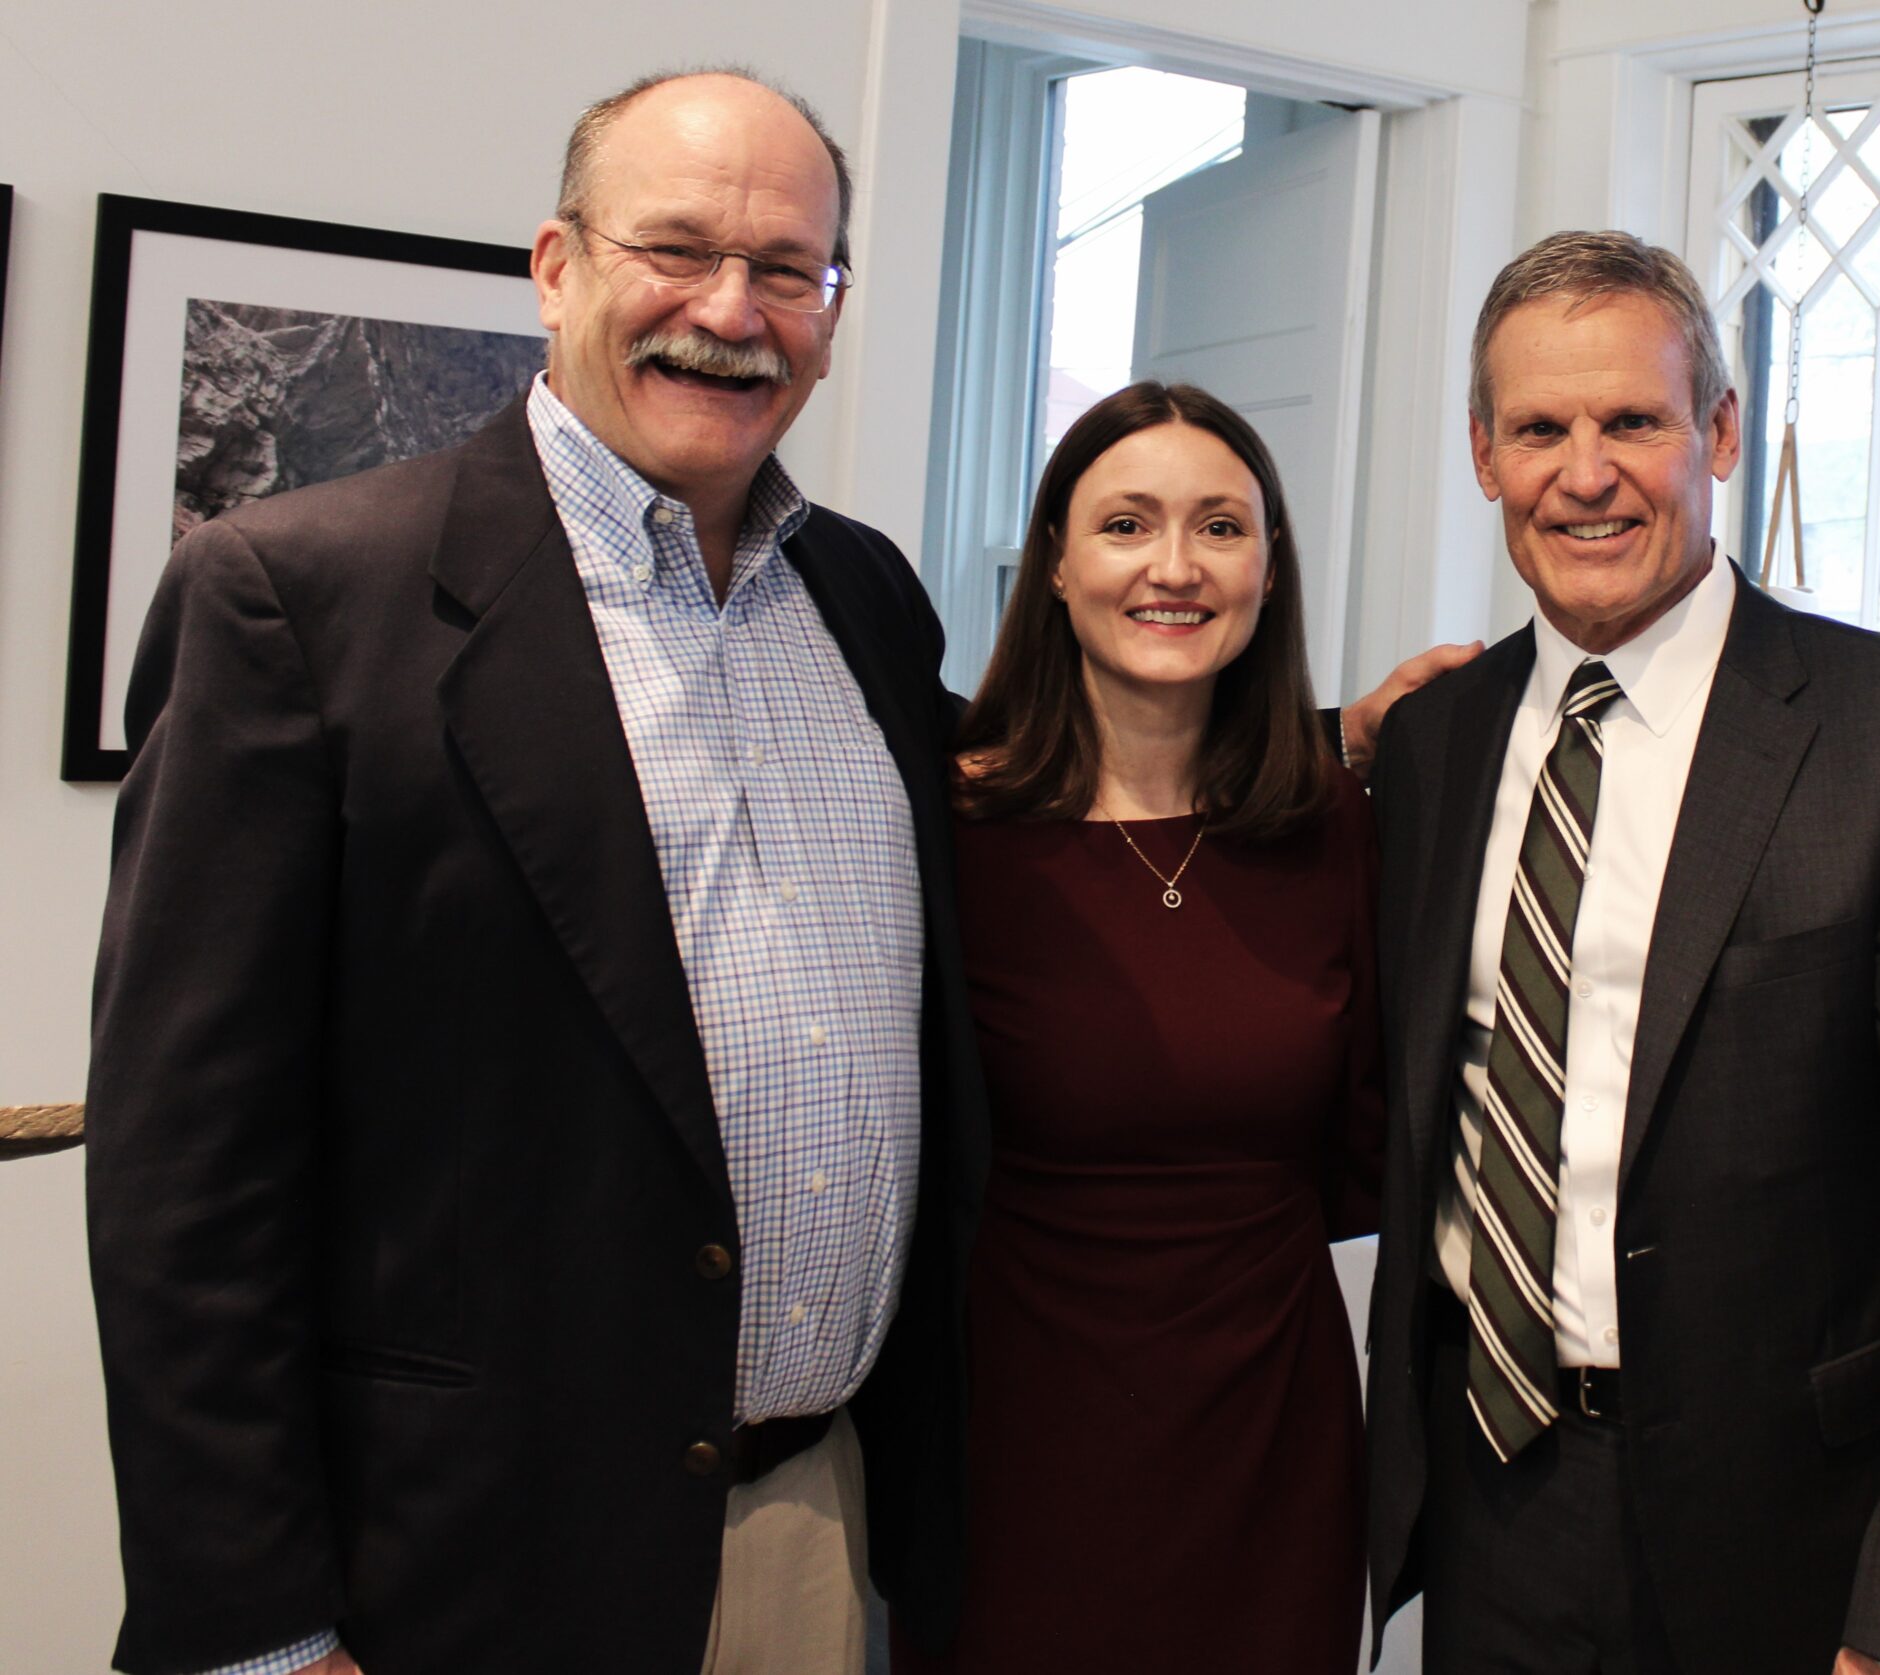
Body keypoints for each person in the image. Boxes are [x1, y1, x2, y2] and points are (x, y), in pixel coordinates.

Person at [85, 70, 982, 1675]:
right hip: (456, 1573)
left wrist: (1352, 743)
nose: (732, 309)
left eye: (788, 268)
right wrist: (260, 1632)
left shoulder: (865, 596)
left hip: (822, 1531)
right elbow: (184, 1179)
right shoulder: (297, 600)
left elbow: (1073, 782)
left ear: (834, 309)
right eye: (679, 249)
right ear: (557, 267)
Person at [1361, 231, 1880, 1675]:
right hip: (1492, 1494)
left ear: (1722, 434)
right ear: (1484, 454)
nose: (1586, 472)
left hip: (1789, 1545)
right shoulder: (1436, 745)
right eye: (1541, 428)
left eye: (1632, 419)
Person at [894, 382, 1382, 1675]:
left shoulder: (1338, 828)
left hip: (1272, 1443)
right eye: (1126, 524)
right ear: (1055, 561)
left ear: (1270, 571)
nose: (1174, 567)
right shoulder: (947, 832)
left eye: (1221, 527)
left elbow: (1380, 1131)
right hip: (1017, 1440)